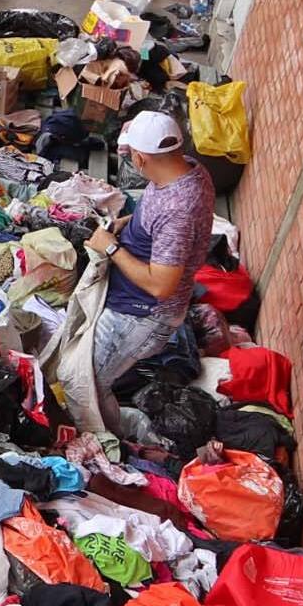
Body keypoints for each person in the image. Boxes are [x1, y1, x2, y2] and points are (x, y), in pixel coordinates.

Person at [85, 111, 214, 437]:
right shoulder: (186, 169)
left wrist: (111, 248)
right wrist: (124, 226)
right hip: (132, 299)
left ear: (141, 158)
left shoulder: (178, 210)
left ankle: (113, 437)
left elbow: (161, 285)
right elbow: (152, 219)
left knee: (89, 380)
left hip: (143, 313)